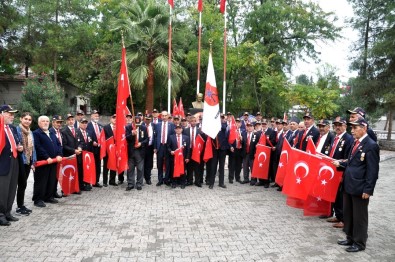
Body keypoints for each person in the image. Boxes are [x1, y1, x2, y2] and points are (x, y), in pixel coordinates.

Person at [333, 118, 379, 252]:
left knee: (359, 216)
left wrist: (368, 189)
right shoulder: (355, 143)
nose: (352, 131)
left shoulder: (371, 145)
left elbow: (373, 170)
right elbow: (352, 163)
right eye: (351, 128)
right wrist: (341, 163)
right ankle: (350, 237)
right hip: (349, 185)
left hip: (360, 188)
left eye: (355, 128)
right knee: (349, 214)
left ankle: (359, 242)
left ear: (364, 128)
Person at [325, 117, 354, 228]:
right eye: (335, 124)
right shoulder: (335, 138)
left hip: (342, 172)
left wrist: (343, 171)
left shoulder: (348, 139)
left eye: (340, 124)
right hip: (333, 171)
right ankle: (337, 215)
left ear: (345, 126)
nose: (337, 127)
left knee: (341, 197)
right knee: (336, 195)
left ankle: (343, 219)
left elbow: (348, 158)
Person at [33, 115, 63, 207]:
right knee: (41, 181)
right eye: (43, 121)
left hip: (53, 161)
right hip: (43, 162)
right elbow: (38, 147)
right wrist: (46, 157)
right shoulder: (36, 133)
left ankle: (48, 197)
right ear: (39, 123)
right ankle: (38, 199)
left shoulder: (51, 132)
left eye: (47, 121)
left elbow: (58, 145)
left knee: (51, 180)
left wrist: (59, 154)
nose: (45, 123)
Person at [0, 105, 23, 225]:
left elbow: (16, 141)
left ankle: (8, 212)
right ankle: (1, 214)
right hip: (3, 163)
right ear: (2, 114)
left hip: (14, 160)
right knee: (2, 190)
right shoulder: (0, 128)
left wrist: (19, 147)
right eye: (10, 113)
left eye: (13, 114)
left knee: (12, 188)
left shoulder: (12, 128)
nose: (12, 116)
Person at [15, 112, 37, 216]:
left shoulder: (30, 132)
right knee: (21, 183)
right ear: (21, 119)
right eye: (25, 119)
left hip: (28, 160)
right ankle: (19, 207)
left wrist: (34, 161)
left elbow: (33, 148)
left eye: (29, 119)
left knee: (23, 184)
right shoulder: (16, 130)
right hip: (20, 161)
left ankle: (21, 205)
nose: (27, 121)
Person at [62, 114, 84, 192]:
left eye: (72, 120)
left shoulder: (77, 130)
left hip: (78, 155)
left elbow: (81, 141)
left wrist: (80, 147)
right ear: (66, 121)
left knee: (77, 172)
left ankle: (76, 188)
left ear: (74, 121)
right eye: (69, 120)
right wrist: (74, 151)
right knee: (68, 173)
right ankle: (66, 189)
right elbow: (64, 145)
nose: (71, 121)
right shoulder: (64, 131)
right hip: (69, 155)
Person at [125, 116, 148, 191]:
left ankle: (139, 183)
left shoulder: (143, 128)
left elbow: (147, 139)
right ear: (133, 121)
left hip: (140, 151)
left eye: (138, 122)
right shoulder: (128, 127)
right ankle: (131, 183)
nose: (137, 123)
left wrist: (141, 143)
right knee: (130, 169)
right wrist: (132, 134)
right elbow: (126, 138)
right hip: (131, 151)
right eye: (135, 122)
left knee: (140, 168)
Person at [153, 111, 175, 186]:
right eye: (163, 115)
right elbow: (155, 137)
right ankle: (160, 180)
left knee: (168, 164)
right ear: (161, 116)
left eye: (165, 115)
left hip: (168, 147)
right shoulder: (157, 125)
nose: (164, 117)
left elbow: (173, 137)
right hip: (160, 146)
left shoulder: (172, 125)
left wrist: (172, 148)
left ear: (168, 116)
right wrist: (155, 147)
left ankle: (166, 179)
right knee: (159, 164)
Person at [86, 110, 103, 188]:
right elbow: (86, 135)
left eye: (97, 116)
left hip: (99, 149)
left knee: (98, 165)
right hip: (91, 149)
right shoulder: (87, 125)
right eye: (95, 115)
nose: (96, 117)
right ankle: (89, 181)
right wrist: (92, 141)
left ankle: (96, 181)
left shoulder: (100, 126)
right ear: (91, 116)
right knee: (90, 165)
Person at [76, 117, 94, 190]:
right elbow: (77, 143)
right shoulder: (76, 132)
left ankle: (86, 183)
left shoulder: (88, 132)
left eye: (85, 123)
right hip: (80, 155)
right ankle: (80, 185)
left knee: (86, 170)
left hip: (87, 155)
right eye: (82, 123)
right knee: (80, 171)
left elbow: (90, 143)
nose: (84, 124)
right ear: (79, 123)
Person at [102, 114, 118, 186]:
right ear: (110, 119)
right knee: (106, 166)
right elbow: (103, 139)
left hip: (115, 150)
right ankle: (105, 181)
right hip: (108, 150)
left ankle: (112, 181)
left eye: (116, 118)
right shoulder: (105, 127)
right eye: (113, 118)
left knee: (114, 165)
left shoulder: (119, 127)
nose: (115, 119)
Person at [141, 115, 154, 185]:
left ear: (151, 119)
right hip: (142, 147)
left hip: (150, 147)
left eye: (149, 119)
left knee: (148, 164)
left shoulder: (154, 126)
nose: (148, 120)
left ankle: (148, 178)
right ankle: (140, 178)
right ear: (144, 119)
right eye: (146, 119)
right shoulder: (141, 126)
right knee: (141, 163)